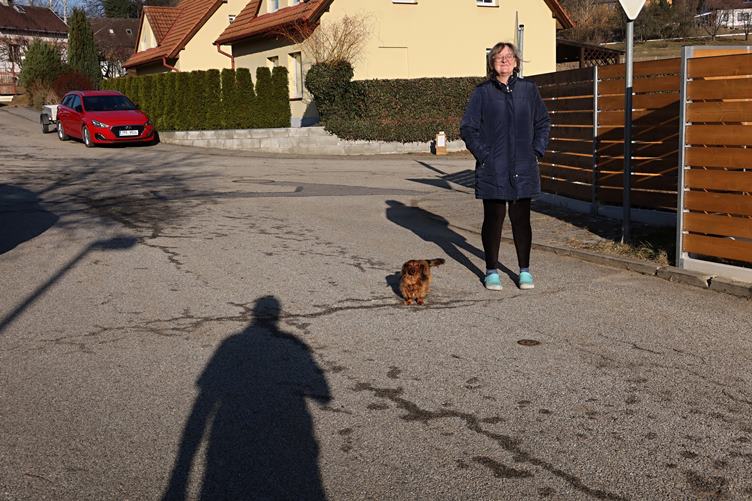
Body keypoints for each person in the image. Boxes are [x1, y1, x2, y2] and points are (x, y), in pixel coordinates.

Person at [460, 42, 551, 291]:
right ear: (492, 63)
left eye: (509, 56)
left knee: (521, 220)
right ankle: (491, 271)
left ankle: (525, 271)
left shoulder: (529, 90)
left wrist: (536, 150)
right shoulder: (482, 93)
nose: (504, 60)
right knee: (494, 219)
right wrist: (484, 155)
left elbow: (543, 122)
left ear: (516, 62)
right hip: (493, 168)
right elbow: (468, 127)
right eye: (499, 57)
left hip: (523, 166)